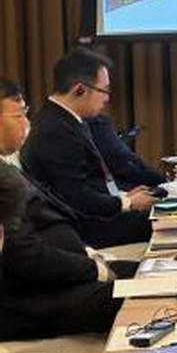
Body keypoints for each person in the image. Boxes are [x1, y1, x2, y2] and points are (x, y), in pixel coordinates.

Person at [0, 78, 136, 340]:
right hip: (30, 299)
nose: (27, 124)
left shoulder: (7, 164)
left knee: (150, 273)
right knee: (146, 294)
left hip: (60, 273)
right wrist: (92, 269)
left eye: (26, 113)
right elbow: (24, 256)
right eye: (18, 115)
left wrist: (87, 254)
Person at [20, 48, 157, 248]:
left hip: (94, 217)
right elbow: (76, 198)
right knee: (167, 220)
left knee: (169, 211)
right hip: (85, 229)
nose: (107, 98)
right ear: (80, 90)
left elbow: (88, 184)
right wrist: (127, 203)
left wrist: (123, 197)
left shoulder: (67, 120)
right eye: (104, 90)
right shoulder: (55, 130)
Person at [86, 114, 166, 190]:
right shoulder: (96, 122)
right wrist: (160, 180)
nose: (104, 103)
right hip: (110, 189)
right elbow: (120, 157)